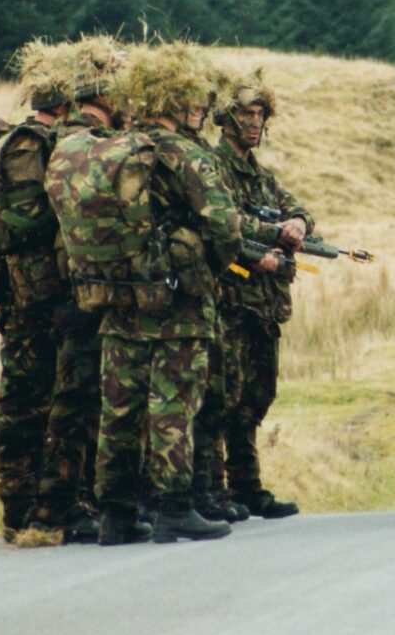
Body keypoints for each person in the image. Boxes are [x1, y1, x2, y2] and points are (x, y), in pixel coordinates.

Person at [95, 44, 242, 544]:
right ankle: (174, 507)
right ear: (175, 103)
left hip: (117, 297)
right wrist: (207, 268)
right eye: (193, 101)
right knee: (172, 404)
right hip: (178, 304)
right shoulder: (187, 154)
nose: (199, 109)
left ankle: (115, 514)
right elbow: (224, 226)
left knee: (119, 407)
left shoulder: (114, 147)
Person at [25, 38, 126, 541]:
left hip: (62, 286)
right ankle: (56, 507)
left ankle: (58, 504)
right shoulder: (81, 143)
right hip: (77, 290)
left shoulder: (59, 140)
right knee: (76, 397)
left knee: (73, 396)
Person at [0, 46, 78, 543]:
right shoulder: (27, 146)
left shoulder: (9, 142)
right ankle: (24, 510)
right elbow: (27, 220)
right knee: (29, 399)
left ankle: (33, 508)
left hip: (28, 290)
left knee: (32, 395)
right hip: (33, 295)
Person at [208, 71, 310, 519]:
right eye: (245, 114)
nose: (254, 123)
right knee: (221, 396)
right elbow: (225, 225)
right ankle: (215, 489)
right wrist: (267, 242)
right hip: (230, 300)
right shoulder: (213, 168)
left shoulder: (261, 176)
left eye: (259, 114)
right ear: (225, 119)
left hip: (265, 305)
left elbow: (297, 210)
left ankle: (247, 487)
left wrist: (300, 225)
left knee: (256, 395)